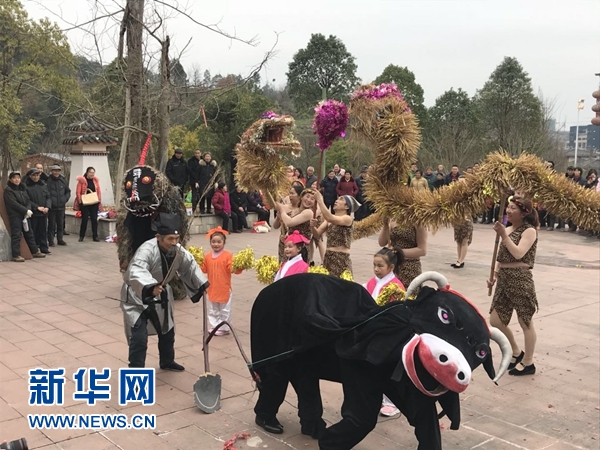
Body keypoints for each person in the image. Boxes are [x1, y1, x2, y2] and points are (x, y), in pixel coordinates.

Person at [120, 213, 209, 370]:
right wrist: (150, 286)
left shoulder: (177, 250)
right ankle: (136, 371)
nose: (174, 242)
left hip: (161, 292)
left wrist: (201, 283)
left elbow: (189, 264)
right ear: (158, 237)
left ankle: (167, 361)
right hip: (137, 294)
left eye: (177, 239)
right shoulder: (146, 249)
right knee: (139, 337)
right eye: (170, 239)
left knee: (167, 329)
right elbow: (136, 270)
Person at [487, 197, 539, 376]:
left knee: (525, 321)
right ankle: (516, 352)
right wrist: (494, 276)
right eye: (508, 207)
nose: (508, 211)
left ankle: (528, 362)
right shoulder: (507, 229)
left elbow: (518, 253)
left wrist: (503, 235)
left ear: (523, 213)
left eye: (513, 208)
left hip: (520, 279)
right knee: (495, 320)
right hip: (504, 279)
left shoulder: (529, 231)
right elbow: (501, 257)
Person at [361, 247, 406, 418]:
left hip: (388, 333)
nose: (376, 269)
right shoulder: (372, 282)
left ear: (391, 267)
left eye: (380, 266)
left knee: (387, 367)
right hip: (373, 330)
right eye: (374, 265)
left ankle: (392, 402)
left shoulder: (396, 287)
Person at [200, 227, 243, 335]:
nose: (216, 244)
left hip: (224, 288)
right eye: (213, 242)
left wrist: (239, 266)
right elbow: (204, 269)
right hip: (212, 287)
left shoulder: (228, 256)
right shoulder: (207, 256)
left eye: (219, 242)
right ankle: (214, 326)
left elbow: (232, 269)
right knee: (213, 309)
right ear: (210, 242)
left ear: (224, 242)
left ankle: (224, 327)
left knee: (225, 309)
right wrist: (198, 261)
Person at [311, 191, 359, 276]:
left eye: (341, 199)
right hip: (328, 257)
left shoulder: (347, 219)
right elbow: (317, 234)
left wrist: (320, 200)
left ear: (347, 206)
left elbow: (330, 218)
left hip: (341, 258)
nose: (336, 200)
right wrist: (312, 226)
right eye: (337, 199)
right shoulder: (328, 220)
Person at [3, 172, 46, 262]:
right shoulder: (8, 190)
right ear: (10, 179)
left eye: (18, 178)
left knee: (29, 233)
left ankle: (34, 251)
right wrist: (25, 210)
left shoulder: (22, 188)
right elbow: (13, 203)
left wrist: (28, 210)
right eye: (14, 178)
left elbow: (27, 200)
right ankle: (16, 255)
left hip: (25, 215)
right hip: (15, 216)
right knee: (16, 235)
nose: (17, 180)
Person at [378, 220, 427, 288]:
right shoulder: (393, 219)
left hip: (409, 268)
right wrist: (385, 225)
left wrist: (398, 252)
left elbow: (422, 250)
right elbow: (382, 243)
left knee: (408, 293)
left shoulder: (418, 221)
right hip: (393, 266)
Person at [274, 186, 314, 262]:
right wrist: (286, 236)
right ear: (301, 197)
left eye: (312, 199)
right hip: (290, 246)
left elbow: (289, 223)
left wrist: (282, 210)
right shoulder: (296, 210)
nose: (308, 200)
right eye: (307, 196)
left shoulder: (309, 212)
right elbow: (290, 228)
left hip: (300, 248)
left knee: (297, 268)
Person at [24, 168, 51, 254]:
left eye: (37, 175)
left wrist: (47, 207)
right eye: (34, 175)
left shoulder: (43, 185)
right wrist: (36, 207)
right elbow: (27, 200)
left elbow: (48, 197)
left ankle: (44, 247)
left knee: (43, 231)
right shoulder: (26, 186)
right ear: (30, 176)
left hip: (43, 212)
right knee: (33, 231)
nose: (36, 177)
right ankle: (34, 248)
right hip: (33, 213)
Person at [74, 167, 102, 242]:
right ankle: (81, 236)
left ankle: (95, 236)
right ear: (87, 173)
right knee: (85, 219)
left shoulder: (95, 181)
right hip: (85, 203)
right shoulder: (82, 181)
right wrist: (80, 201)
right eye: (90, 172)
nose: (92, 174)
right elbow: (78, 192)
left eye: (93, 173)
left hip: (94, 202)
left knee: (94, 219)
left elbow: (98, 191)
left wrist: (99, 200)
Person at [46, 165, 70, 246]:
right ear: (51, 171)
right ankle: (51, 240)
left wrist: (65, 199)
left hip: (61, 206)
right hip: (52, 207)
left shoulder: (63, 180)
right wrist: (50, 202)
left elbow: (68, 191)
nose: (56, 172)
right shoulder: (48, 181)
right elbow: (46, 193)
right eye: (55, 171)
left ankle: (60, 239)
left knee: (60, 224)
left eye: (58, 171)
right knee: (51, 225)